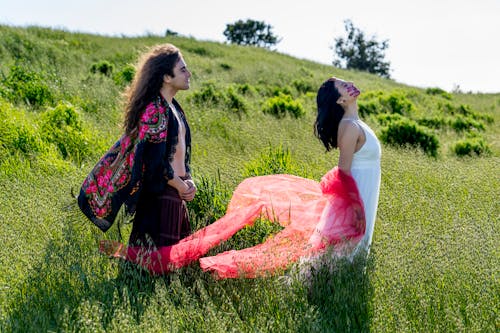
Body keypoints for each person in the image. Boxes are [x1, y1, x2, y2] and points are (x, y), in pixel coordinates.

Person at [78, 43, 196, 249]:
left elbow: (180, 154)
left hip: (178, 193)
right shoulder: (154, 110)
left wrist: (189, 182)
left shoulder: (174, 108)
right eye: (183, 69)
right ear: (167, 77)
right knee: (156, 268)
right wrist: (180, 186)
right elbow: (154, 163)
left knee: (179, 268)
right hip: (161, 198)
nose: (189, 74)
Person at [312, 77, 381, 253]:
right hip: (357, 193)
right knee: (344, 251)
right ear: (341, 100)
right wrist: (357, 210)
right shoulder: (349, 126)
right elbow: (343, 171)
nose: (350, 84)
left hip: (366, 189)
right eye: (344, 85)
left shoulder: (356, 123)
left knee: (355, 249)